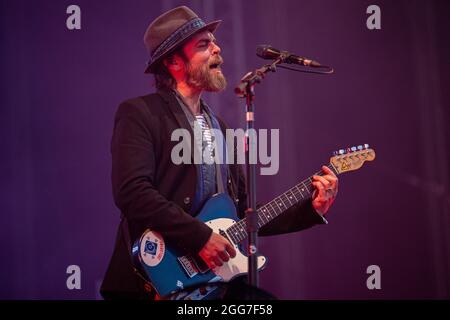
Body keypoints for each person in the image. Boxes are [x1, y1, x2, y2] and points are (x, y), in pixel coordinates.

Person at [100, 6, 338, 300]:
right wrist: (199, 237)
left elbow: (243, 215)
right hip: (156, 280)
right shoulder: (141, 113)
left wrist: (310, 209)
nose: (217, 48)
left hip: (211, 283)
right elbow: (132, 192)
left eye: (214, 40)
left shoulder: (221, 128)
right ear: (174, 61)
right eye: (204, 44)